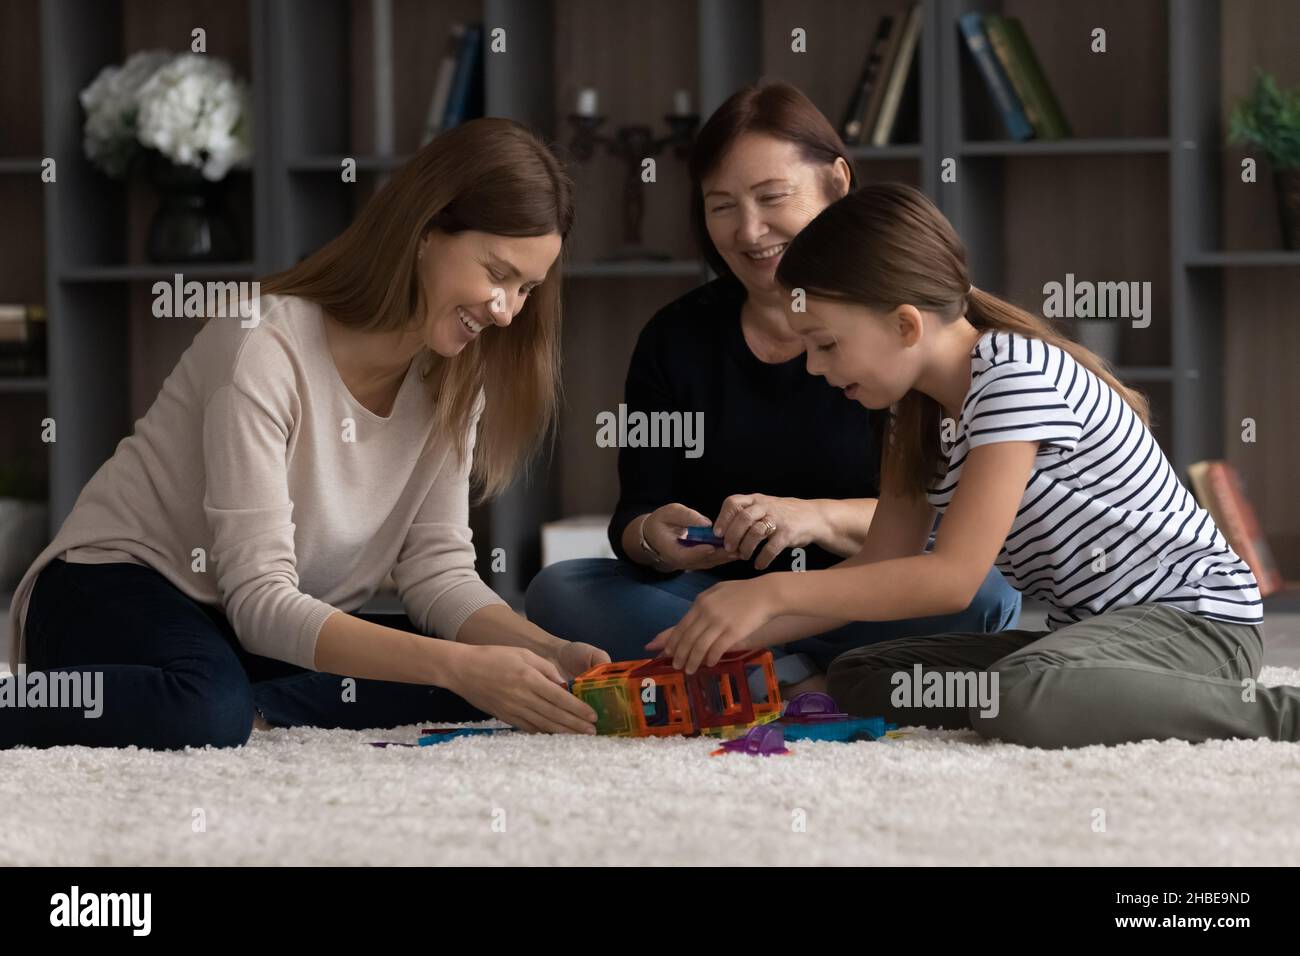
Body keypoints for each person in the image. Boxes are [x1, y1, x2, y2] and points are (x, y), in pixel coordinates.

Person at [2, 118, 608, 750]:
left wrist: (550, 649)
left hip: (246, 626)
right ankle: (216, 701)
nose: (507, 310)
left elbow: (438, 572)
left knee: (494, 679)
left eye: (526, 289)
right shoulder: (261, 345)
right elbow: (262, 600)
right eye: (496, 272)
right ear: (425, 233)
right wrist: (455, 663)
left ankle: (243, 702)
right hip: (117, 587)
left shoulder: (457, 381)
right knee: (205, 711)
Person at [651, 182, 1292, 749]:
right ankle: (1067, 689)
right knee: (860, 675)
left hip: (1197, 626)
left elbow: (953, 579)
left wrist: (768, 591)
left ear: (905, 325)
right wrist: (735, 634)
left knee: (1019, 696)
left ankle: (1277, 713)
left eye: (826, 345)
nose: (816, 368)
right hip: (1095, 636)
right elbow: (881, 568)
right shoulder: (911, 414)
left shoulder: (1014, 376)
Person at [526, 83, 1021, 692]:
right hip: (724, 603)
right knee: (563, 590)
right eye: (722, 205)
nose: (749, 230)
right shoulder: (676, 336)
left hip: (870, 594)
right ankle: (809, 677)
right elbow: (635, 512)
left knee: (980, 592)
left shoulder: (903, 343)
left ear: (837, 184)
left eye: (771, 197)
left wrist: (810, 520)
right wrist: (656, 539)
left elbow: (949, 539)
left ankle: (753, 675)